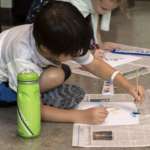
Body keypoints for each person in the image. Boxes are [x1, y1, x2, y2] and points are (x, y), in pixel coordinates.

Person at [0, 1, 144, 124]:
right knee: (33, 94)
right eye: (70, 54)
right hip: (2, 85)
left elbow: (94, 64)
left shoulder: (53, 38)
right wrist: (81, 116)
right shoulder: (21, 59)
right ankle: (24, 92)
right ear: (46, 49)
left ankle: (36, 90)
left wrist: (128, 85)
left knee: (58, 74)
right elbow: (33, 110)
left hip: (26, 67)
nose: (76, 56)